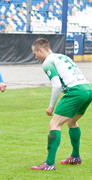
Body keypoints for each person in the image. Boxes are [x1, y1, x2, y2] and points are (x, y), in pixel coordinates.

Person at [30, 38, 92, 170]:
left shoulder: (47, 62)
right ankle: (75, 157)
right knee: (71, 122)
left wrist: (51, 105)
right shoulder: (62, 56)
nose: (35, 57)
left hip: (75, 91)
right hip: (87, 89)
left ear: (41, 50)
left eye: (35, 53)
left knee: (54, 124)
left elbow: (57, 85)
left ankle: (49, 163)